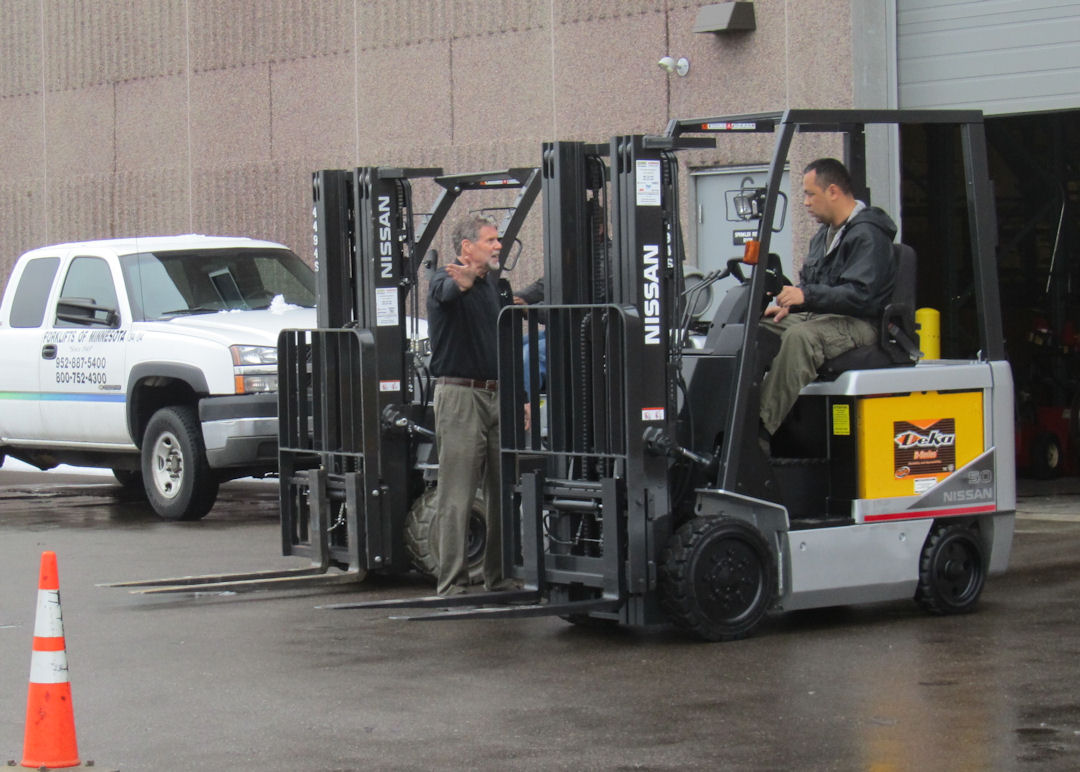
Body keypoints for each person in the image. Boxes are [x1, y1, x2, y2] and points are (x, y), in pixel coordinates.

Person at [758, 158, 897, 445]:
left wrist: (806, 296)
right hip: (827, 316)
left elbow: (861, 294)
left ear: (833, 191)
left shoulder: (868, 235)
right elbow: (814, 285)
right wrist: (791, 302)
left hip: (864, 323)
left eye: (810, 194)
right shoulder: (825, 235)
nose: (806, 202)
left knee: (799, 337)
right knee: (757, 329)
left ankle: (759, 432)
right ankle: (731, 415)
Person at [427, 214, 511, 596]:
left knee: (502, 491)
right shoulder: (445, 279)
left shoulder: (493, 286)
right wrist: (461, 283)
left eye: (498, 240)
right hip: (460, 397)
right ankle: (451, 582)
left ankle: (498, 577)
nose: (497, 246)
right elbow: (446, 292)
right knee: (457, 494)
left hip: (497, 393)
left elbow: (498, 345)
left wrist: (519, 398)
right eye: (490, 240)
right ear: (467, 248)